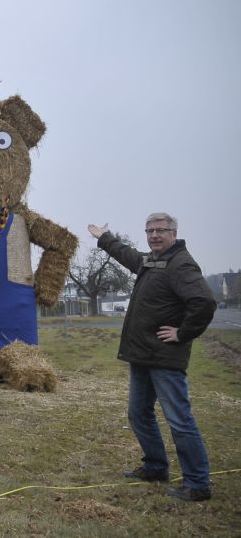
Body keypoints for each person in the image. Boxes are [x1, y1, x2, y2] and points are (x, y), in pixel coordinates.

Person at [88, 213, 216, 502]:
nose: (154, 235)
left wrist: (183, 333)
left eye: (160, 230)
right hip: (142, 355)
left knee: (179, 420)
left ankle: (197, 483)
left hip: (164, 358)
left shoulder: (181, 263)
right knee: (138, 414)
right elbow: (129, 256)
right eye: (150, 231)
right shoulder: (154, 261)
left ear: (174, 233)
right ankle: (156, 467)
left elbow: (205, 302)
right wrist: (105, 239)